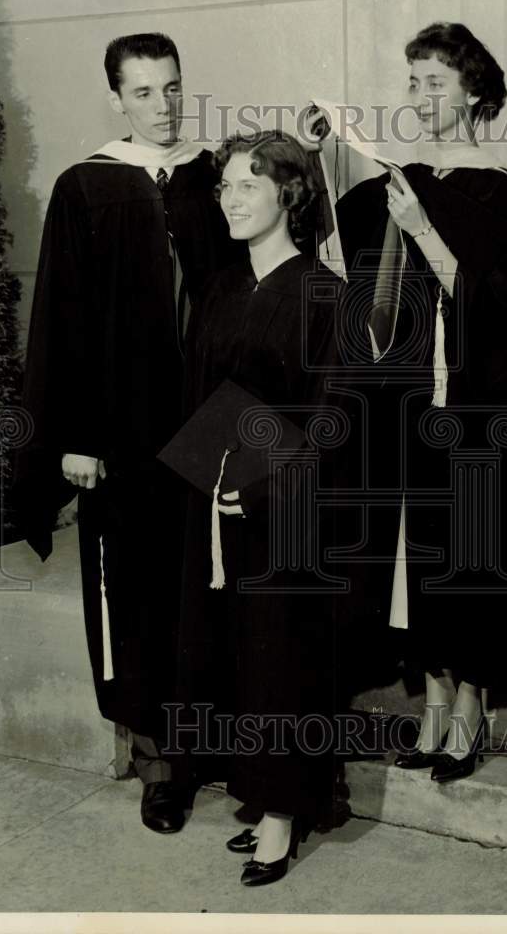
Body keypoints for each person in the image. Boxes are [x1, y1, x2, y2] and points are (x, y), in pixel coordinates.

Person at [303, 22, 507, 782]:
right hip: (406, 412)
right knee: (425, 561)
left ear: (473, 90)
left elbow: (505, 312)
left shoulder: (502, 195)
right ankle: (433, 708)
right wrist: (313, 159)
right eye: (411, 82)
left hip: (474, 413)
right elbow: (336, 252)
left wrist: (424, 233)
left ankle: (469, 714)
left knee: (470, 561)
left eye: (433, 82)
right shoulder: (396, 180)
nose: (419, 97)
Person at [14, 32, 240, 834]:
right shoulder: (85, 188)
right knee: (138, 599)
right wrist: (70, 437)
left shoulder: (218, 177)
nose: (163, 105)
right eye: (143, 93)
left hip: (208, 429)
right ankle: (161, 766)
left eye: (172, 88)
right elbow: (59, 323)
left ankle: (219, 745)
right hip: (119, 438)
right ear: (116, 98)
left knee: (210, 588)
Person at [168, 130, 342, 886]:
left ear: (288, 194)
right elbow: (199, 396)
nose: (231, 201)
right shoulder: (220, 289)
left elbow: (332, 418)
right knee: (236, 655)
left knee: (281, 660)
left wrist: (264, 486)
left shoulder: (325, 295)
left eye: (248, 185)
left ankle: (282, 813)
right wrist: (204, 481)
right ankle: (262, 792)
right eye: (225, 188)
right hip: (217, 501)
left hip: (287, 510)